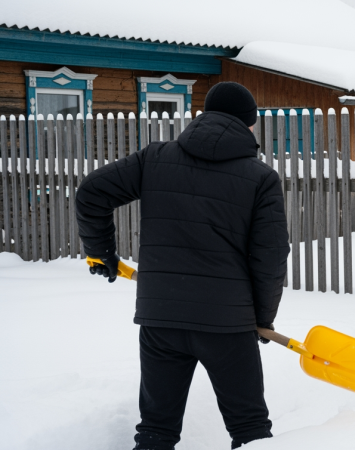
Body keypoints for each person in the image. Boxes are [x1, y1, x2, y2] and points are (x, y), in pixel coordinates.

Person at [77, 82, 290, 449]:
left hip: (161, 320)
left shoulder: (154, 158)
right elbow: (270, 258)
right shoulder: (261, 178)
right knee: (250, 427)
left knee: (156, 429)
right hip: (227, 324)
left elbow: (91, 192)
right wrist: (262, 317)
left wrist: (103, 253)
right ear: (248, 125)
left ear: (202, 116)